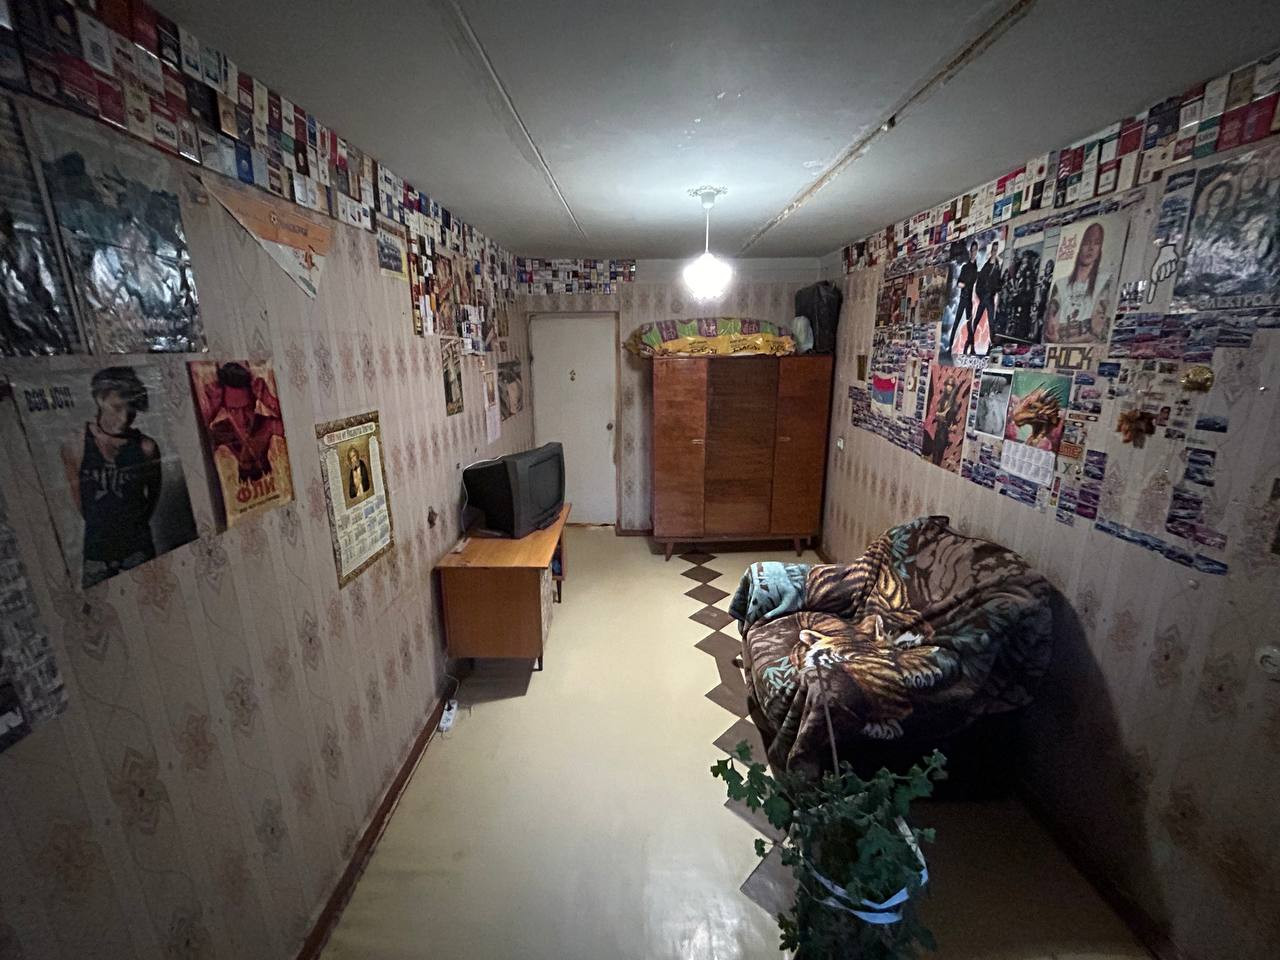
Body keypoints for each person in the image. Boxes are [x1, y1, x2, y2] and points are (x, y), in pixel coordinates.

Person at [60, 367, 161, 588]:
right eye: (117, 407)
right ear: (100, 399)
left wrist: (134, 525)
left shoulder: (146, 447)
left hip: (137, 548)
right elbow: (81, 503)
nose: (124, 418)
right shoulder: (76, 444)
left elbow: (153, 494)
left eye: (131, 410)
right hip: (97, 552)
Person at [201, 362, 285, 483]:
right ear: (223, 407)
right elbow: (196, 446)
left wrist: (269, 400)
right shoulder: (222, 430)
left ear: (255, 402)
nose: (242, 418)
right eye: (233, 410)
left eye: (247, 408)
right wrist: (211, 409)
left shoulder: (266, 425)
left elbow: (296, 429)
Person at [1044, 222, 1112, 343]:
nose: (1091, 248)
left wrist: (1063, 341)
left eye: (1096, 243)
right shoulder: (1061, 284)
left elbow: (1098, 331)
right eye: (1087, 242)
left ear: (1100, 249)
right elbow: (1050, 324)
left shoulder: (1104, 281)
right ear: (1080, 246)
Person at [969, 240, 1002, 354]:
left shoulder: (998, 267)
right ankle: (971, 345)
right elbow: (979, 282)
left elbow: (999, 283)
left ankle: (991, 346)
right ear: (991, 250)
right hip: (984, 298)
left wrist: (994, 291)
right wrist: (981, 295)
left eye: (996, 250)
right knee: (976, 321)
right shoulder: (986, 266)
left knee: (991, 323)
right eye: (993, 250)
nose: (994, 252)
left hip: (990, 298)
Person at [951, 241, 978, 352]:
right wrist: (966, 285)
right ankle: (950, 347)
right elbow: (959, 284)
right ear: (970, 251)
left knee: (969, 325)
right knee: (956, 322)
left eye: (975, 250)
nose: (974, 252)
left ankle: (972, 348)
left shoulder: (976, 268)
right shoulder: (965, 267)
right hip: (963, 298)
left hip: (969, 299)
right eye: (972, 250)